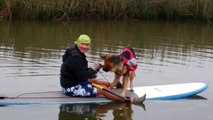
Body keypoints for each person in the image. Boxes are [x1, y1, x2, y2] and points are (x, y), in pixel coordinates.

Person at [60, 34, 145, 104]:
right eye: (82, 44)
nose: (85, 46)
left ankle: (115, 84)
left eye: (87, 44)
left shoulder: (75, 52)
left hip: (72, 82)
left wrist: (94, 71)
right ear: (77, 43)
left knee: (93, 80)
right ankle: (131, 101)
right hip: (71, 88)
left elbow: (80, 71)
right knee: (103, 90)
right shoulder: (75, 57)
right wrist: (93, 69)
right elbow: (83, 76)